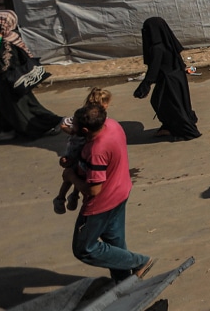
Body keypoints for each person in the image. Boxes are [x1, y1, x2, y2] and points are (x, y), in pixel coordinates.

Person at [66, 104, 155, 282]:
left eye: (73, 126)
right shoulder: (113, 125)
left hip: (101, 204)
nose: (71, 128)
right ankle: (123, 281)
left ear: (85, 129)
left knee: (84, 249)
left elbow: (94, 189)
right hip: (120, 192)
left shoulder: (96, 150)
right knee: (115, 242)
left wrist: (71, 177)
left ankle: (139, 262)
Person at [0, 9, 62, 142]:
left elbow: (3, 65)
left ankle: (46, 126)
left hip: (11, 81)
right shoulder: (10, 37)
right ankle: (8, 130)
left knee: (21, 109)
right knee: (12, 107)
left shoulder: (4, 42)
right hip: (14, 80)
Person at [132, 17, 201, 141]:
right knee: (174, 104)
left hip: (169, 81)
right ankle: (169, 126)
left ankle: (184, 130)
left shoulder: (157, 48)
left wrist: (145, 85)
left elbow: (154, 69)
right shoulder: (168, 42)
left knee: (171, 106)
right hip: (177, 78)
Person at [55, 87, 112, 215]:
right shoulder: (83, 117)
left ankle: (74, 196)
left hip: (85, 152)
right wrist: (74, 132)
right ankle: (60, 198)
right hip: (75, 151)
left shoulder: (101, 119)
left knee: (81, 175)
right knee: (70, 175)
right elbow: (64, 124)